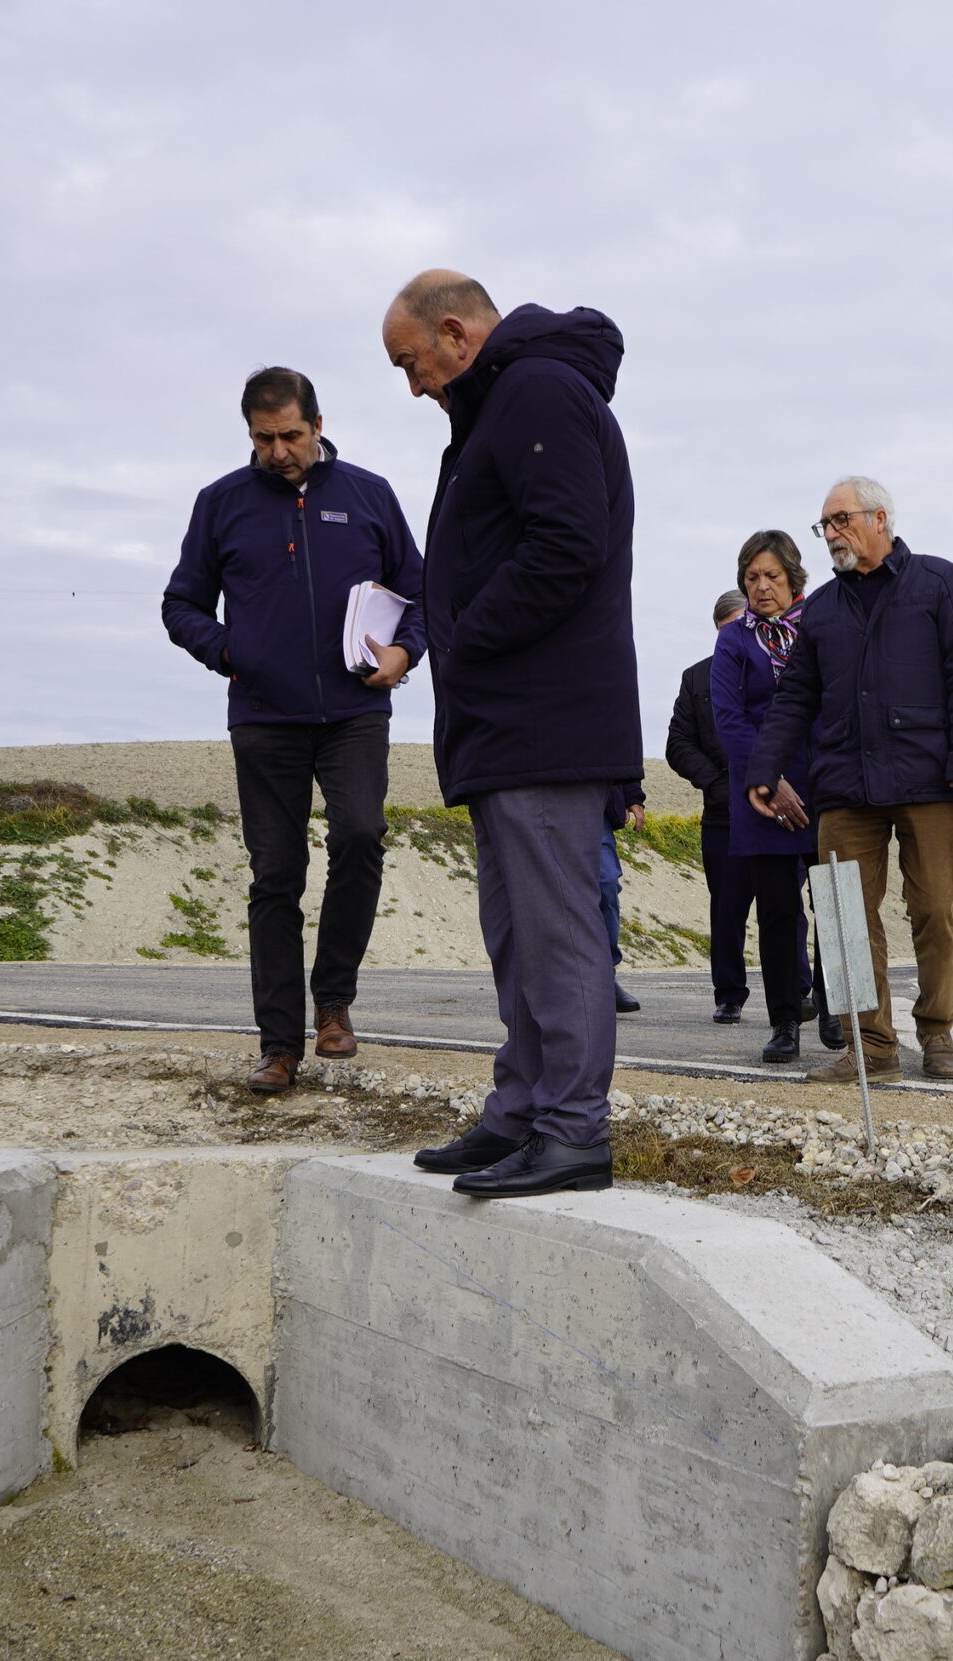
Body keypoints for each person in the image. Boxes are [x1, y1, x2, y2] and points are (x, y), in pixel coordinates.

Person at [380, 270, 639, 1198]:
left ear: (454, 333)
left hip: (544, 721)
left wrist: (464, 637)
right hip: (506, 724)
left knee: (559, 936)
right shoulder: (496, 409)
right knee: (518, 937)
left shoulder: (537, 391)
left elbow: (565, 545)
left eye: (409, 363)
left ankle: (573, 1131)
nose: (411, 386)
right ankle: (522, 1112)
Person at [161, 365, 424, 1093]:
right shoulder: (222, 504)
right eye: (263, 438)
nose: (278, 451)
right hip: (264, 718)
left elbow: (422, 593)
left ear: (317, 425)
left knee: (361, 836)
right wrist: (226, 651)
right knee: (276, 877)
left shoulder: (368, 495)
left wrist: (405, 651)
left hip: (355, 713)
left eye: (291, 436)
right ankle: (278, 1046)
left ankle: (333, 1002)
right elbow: (180, 603)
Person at [746, 477, 953, 1082]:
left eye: (841, 520)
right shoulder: (824, 608)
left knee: (937, 910)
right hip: (844, 786)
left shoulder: (939, 582)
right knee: (843, 918)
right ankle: (873, 1047)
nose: (831, 534)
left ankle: (937, 1033)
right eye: (824, 525)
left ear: (880, 519)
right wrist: (764, 768)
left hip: (930, 780)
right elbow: (797, 694)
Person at [712, 530, 826, 1064]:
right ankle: (786, 1021)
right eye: (752, 578)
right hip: (761, 796)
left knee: (835, 905)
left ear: (793, 578)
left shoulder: (822, 627)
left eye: (771, 577)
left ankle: (837, 1010)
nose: (761, 587)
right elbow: (729, 718)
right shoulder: (734, 641)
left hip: (824, 789)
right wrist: (768, 779)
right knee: (779, 912)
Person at [667, 590, 751, 1022]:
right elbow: (677, 744)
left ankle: (797, 993)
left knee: (786, 909)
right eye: (725, 630)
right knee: (727, 909)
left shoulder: (777, 671)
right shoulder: (696, 678)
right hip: (722, 816)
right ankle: (729, 995)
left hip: (778, 813)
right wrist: (718, 784)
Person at [601, 781, 645, 1013]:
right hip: (545, 797)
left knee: (606, 884)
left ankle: (605, 978)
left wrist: (632, 796)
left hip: (595, 805)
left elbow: (621, 745)